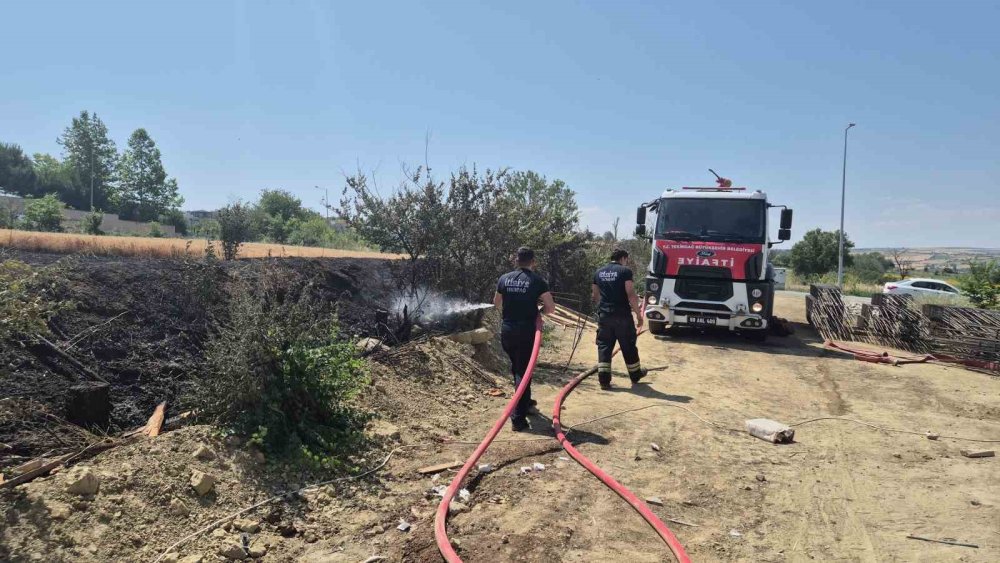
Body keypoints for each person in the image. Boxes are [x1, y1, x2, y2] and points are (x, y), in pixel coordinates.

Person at [493, 247, 555, 431]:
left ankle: (526, 403)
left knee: (518, 368)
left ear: (516, 260)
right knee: (523, 372)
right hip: (526, 331)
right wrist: (538, 312)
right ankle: (517, 419)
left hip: (507, 330)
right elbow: (550, 308)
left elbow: (496, 304)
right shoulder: (537, 281)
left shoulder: (504, 278)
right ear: (533, 262)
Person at [593, 248, 647, 389]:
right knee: (628, 345)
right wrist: (639, 315)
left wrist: (602, 309)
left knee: (604, 346)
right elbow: (630, 294)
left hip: (604, 315)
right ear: (623, 258)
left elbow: (595, 295)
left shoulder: (599, 272)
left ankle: (604, 380)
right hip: (622, 316)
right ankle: (635, 375)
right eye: (626, 259)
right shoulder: (625, 271)